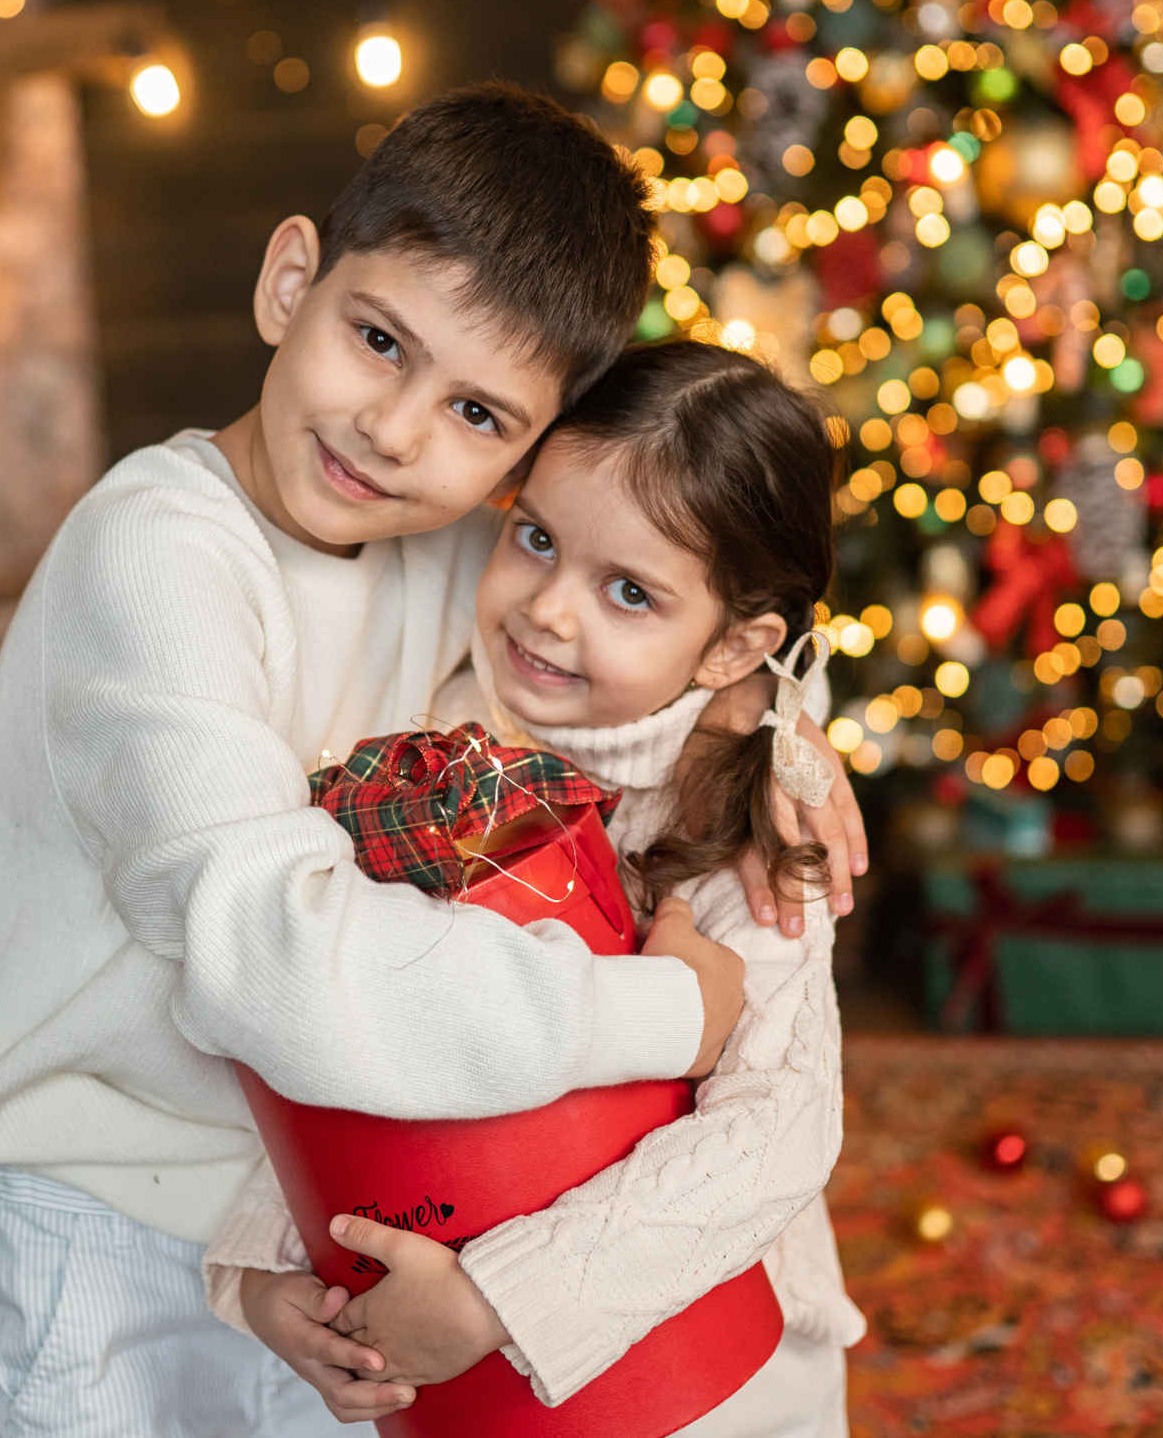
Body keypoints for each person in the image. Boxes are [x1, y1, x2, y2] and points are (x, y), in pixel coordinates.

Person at [0, 86, 866, 1436]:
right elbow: (282, 966)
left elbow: (660, 607)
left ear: (526, 457)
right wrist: (669, 1012)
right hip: (106, 1203)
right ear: (290, 279)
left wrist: (778, 735)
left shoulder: (462, 541)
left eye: (480, 413)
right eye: (377, 340)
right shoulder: (158, 560)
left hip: (331, 1190)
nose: (397, 429)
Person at [208, 341, 866, 1433]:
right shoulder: (427, 747)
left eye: (627, 593)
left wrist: (495, 1300)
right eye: (535, 539)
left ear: (731, 648)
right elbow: (350, 1013)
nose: (549, 610)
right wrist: (260, 1274)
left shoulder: (747, 821)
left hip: (705, 1372)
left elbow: (778, 1129)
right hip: (452, 1365)